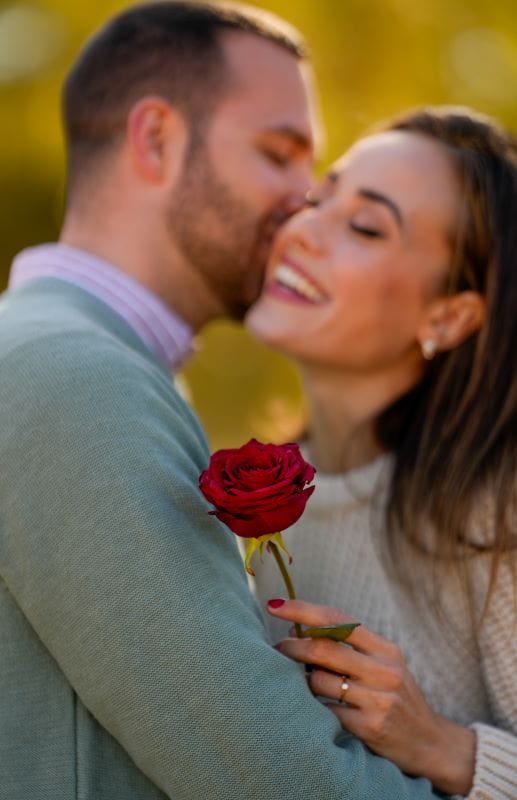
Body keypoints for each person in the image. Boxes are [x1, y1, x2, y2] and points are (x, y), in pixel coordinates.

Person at [0, 2, 449, 799]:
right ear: (157, 139)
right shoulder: (76, 378)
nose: (305, 201)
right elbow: (277, 780)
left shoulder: (68, 353)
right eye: (279, 153)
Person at [246, 106, 517, 800]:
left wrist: (446, 749)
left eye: (364, 226)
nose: (302, 230)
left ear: (448, 316)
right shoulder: (250, 495)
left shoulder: (494, 508)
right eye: (317, 198)